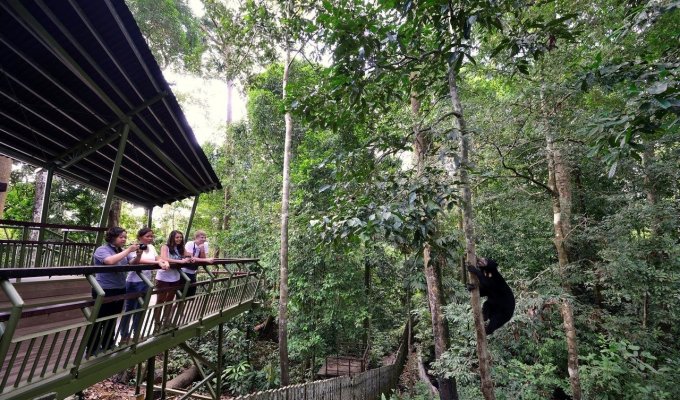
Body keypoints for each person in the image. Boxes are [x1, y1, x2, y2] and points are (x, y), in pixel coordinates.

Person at [87, 226, 139, 356]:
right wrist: (128, 250)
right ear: (112, 237)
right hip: (104, 290)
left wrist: (139, 254)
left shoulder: (120, 251)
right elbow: (109, 261)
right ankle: (92, 348)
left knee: (112, 318)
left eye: (125, 237)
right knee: (99, 319)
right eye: (121, 237)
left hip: (119, 289)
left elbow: (132, 263)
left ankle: (108, 344)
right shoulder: (102, 250)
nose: (123, 239)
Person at [119, 227, 169, 343]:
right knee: (129, 309)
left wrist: (164, 261)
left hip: (146, 281)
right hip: (133, 282)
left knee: (141, 309)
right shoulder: (133, 247)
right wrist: (157, 262)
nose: (150, 238)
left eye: (151, 236)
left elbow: (158, 258)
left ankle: (136, 333)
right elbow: (137, 262)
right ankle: (124, 336)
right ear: (140, 237)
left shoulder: (151, 247)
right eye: (147, 236)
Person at [156, 230, 192, 326]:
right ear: (172, 237)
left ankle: (166, 320)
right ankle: (157, 322)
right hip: (164, 277)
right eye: (177, 237)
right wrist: (180, 261)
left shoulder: (180, 248)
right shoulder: (165, 247)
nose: (179, 239)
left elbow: (188, 254)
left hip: (175, 277)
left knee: (170, 300)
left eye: (180, 237)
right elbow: (164, 258)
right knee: (160, 300)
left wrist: (190, 258)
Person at [183, 230, 214, 297]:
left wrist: (202, 249)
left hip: (193, 272)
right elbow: (191, 258)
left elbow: (203, 259)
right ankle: (175, 307)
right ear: (196, 238)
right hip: (184, 272)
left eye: (205, 238)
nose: (204, 239)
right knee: (181, 295)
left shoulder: (204, 244)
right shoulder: (190, 244)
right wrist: (207, 260)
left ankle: (184, 307)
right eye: (202, 237)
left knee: (190, 295)